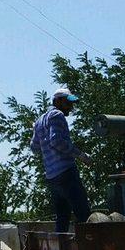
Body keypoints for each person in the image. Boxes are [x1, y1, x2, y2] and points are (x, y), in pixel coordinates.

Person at [31, 87, 91, 232]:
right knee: (83, 214)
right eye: (68, 102)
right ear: (58, 101)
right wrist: (81, 155)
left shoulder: (40, 121)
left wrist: (36, 131)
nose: (71, 107)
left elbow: (34, 147)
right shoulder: (57, 115)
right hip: (66, 172)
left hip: (52, 177)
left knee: (62, 217)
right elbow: (56, 141)